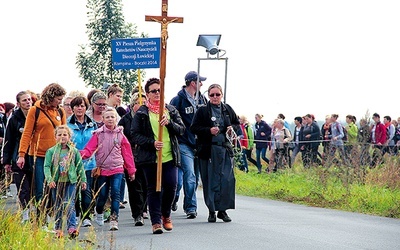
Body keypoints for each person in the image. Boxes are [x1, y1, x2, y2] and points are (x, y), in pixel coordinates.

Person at [131, 77, 185, 234]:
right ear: (147, 94)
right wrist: (152, 143)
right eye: (153, 91)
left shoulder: (171, 110)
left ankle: (165, 215)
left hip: (169, 155)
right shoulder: (142, 112)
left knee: (171, 186)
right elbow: (135, 135)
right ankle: (155, 222)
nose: (157, 93)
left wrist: (169, 123)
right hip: (150, 157)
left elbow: (181, 129)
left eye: (159, 91)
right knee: (154, 189)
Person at [17, 83, 67, 223]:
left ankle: (53, 217)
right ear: (50, 97)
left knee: (56, 188)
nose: (60, 102)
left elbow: (64, 133)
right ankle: (41, 218)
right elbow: (27, 133)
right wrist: (22, 155)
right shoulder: (35, 110)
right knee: (40, 188)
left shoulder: (60, 111)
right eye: (58, 99)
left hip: (56, 155)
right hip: (38, 156)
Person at [190, 83, 240, 223]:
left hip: (224, 149)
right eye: (212, 95)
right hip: (208, 150)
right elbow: (194, 128)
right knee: (209, 180)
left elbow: (237, 124)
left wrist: (231, 128)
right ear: (208, 96)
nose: (215, 97)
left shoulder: (227, 109)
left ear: (221, 95)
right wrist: (208, 131)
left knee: (226, 180)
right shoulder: (203, 111)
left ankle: (222, 210)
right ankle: (212, 210)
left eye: (217, 94)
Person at [80, 107, 136, 231]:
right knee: (103, 195)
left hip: (117, 168)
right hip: (103, 169)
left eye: (112, 117)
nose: (110, 119)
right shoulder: (98, 134)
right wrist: (79, 154)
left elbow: (127, 154)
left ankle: (114, 219)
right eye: (108, 117)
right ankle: (99, 211)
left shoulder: (120, 135)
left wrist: (131, 170)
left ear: (116, 119)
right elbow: (89, 149)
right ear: (103, 119)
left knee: (116, 193)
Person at [169, 70, 207, 219]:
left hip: (199, 144)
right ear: (193, 83)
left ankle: (177, 199)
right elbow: (171, 119)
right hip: (184, 142)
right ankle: (191, 207)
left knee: (194, 178)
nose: (202, 84)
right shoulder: (177, 100)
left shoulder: (203, 100)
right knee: (189, 175)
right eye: (200, 81)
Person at [44, 125, 87, 238]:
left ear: (69, 137)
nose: (62, 137)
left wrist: (83, 180)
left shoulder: (73, 151)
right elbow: (47, 166)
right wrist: (50, 179)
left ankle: (72, 227)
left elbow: (80, 166)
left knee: (69, 203)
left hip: (70, 181)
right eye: (59, 134)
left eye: (65, 134)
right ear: (55, 136)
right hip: (57, 182)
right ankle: (58, 228)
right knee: (58, 205)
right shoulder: (51, 151)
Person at [118, 91, 148, 226]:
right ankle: (137, 214)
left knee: (146, 184)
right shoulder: (125, 119)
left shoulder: (148, 117)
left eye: (143, 103)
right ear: (132, 104)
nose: (141, 106)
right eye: (138, 103)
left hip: (147, 155)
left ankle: (144, 208)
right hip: (130, 156)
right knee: (134, 185)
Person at [67, 96, 97, 227]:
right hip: (72, 162)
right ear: (72, 108)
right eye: (77, 106)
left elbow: (96, 142)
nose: (80, 108)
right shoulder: (67, 124)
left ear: (86, 107)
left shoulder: (92, 124)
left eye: (83, 106)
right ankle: (76, 214)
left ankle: (86, 216)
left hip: (89, 162)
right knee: (74, 190)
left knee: (87, 190)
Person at [2, 91, 33, 222]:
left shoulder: (36, 115)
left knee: (34, 186)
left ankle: (37, 212)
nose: (28, 102)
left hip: (34, 155)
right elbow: (8, 139)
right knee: (22, 187)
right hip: (18, 156)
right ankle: (25, 213)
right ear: (18, 103)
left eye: (29, 99)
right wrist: (7, 160)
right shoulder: (14, 118)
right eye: (25, 100)